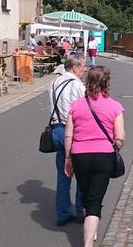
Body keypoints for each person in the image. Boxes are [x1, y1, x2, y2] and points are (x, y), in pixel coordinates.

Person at [64, 66, 125, 247]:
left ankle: (91, 228)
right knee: (95, 200)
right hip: (103, 156)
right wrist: (115, 147)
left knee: (86, 193)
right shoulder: (115, 106)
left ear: (88, 82)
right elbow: (120, 138)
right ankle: (88, 242)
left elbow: (68, 135)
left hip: (80, 155)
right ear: (107, 82)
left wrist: (68, 159)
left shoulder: (76, 106)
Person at [47, 54, 87, 226]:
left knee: (63, 174)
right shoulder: (77, 85)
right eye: (83, 66)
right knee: (81, 173)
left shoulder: (54, 83)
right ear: (75, 67)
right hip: (73, 131)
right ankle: (80, 212)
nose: (85, 70)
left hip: (56, 130)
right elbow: (84, 109)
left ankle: (63, 213)